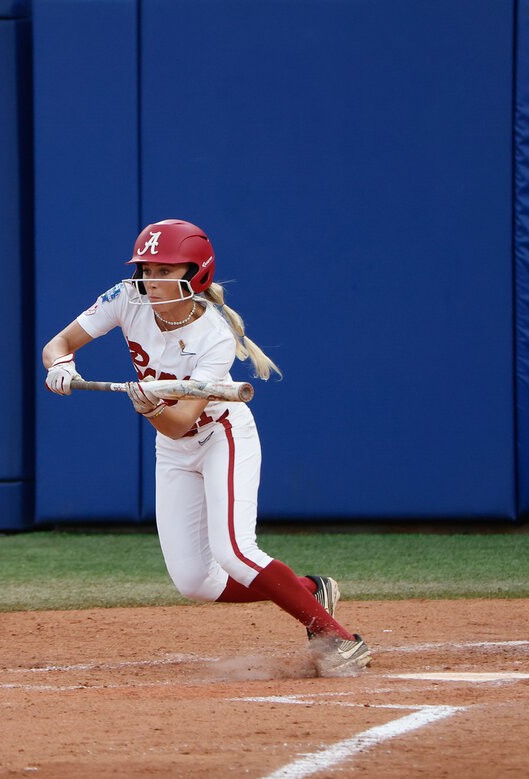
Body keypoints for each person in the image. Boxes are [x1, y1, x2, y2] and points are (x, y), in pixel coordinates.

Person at [41, 219, 372, 673]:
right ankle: (309, 590)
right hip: (176, 450)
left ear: (196, 273)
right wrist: (61, 363)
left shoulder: (214, 337)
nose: (150, 281)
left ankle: (340, 638)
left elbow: (179, 423)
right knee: (195, 581)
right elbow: (59, 343)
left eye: (163, 270)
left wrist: (149, 408)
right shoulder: (126, 297)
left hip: (221, 434)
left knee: (234, 552)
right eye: (146, 269)